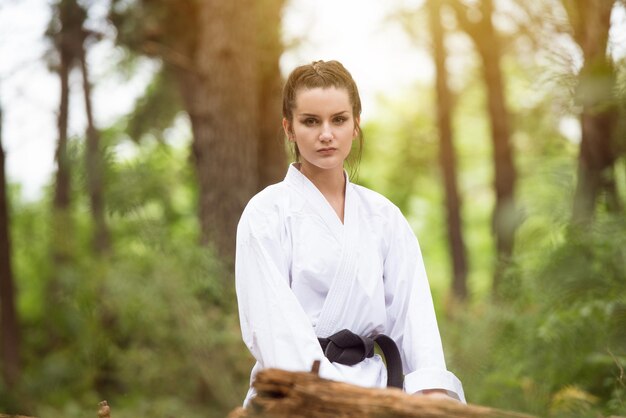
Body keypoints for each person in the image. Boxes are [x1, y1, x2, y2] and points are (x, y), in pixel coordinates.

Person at [235, 60, 465, 406]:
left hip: (378, 391)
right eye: (310, 121)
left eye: (338, 119)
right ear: (289, 128)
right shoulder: (266, 214)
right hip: (293, 396)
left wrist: (429, 395)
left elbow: (413, 319)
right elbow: (273, 329)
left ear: (356, 125)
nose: (326, 133)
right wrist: (328, 398)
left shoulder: (384, 217)